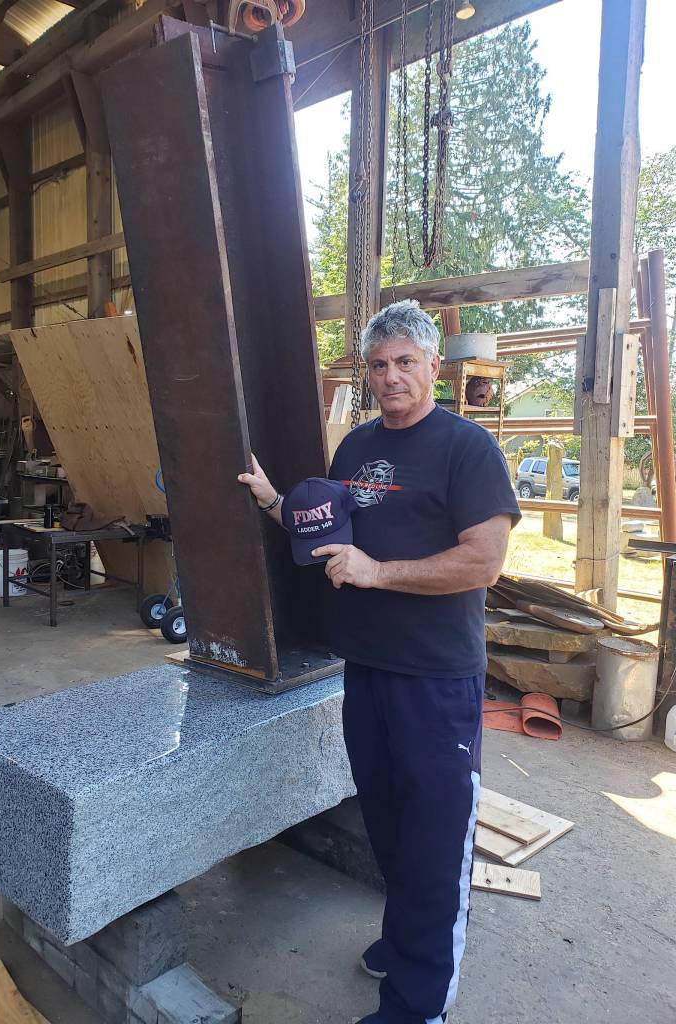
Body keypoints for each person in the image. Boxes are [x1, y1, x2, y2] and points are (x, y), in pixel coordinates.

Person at [238, 299, 520, 1024]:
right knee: (388, 824)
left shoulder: (467, 449)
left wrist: (379, 572)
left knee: (433, 837)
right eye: (378, 365)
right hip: (366, 670)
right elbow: (328, 537)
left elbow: (483, 563)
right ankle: (404, 942)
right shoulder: (356, 448)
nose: (391, 376)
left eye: (404, 362)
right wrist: (274, 501)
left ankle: (419, 1003)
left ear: (434, 365)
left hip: (436, 679)